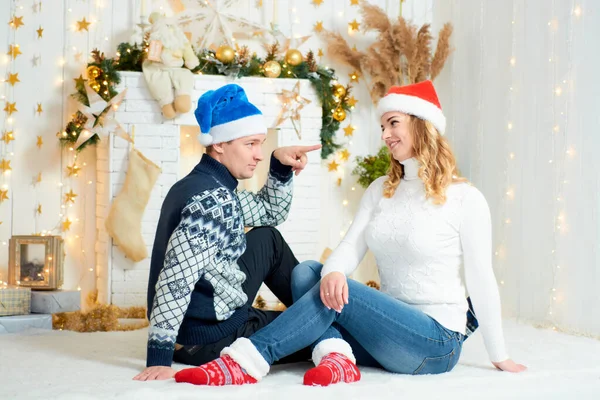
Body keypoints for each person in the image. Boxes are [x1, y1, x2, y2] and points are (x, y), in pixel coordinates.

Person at [172, 80, 527, 387]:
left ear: (422, 125)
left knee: (335, 287)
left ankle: (246, 361)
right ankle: (337, 357)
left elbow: (482, 279)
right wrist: (336, 271)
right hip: (381, 336)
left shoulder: (465, 198)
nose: (385, 135)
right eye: (383, 126)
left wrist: (500, 355)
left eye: (393, 123)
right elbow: (348, 248)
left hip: (433, 343)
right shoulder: (381, 189)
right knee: (308, 271)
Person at [133, 83, 321, 381]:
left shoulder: (205, 185)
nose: (258, 154)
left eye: (261, 144)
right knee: (315, 330)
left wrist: (280, 167)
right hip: (207, 338)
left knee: (267, 238)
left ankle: (318, 310)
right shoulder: (213, 201)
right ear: (219, 144)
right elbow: (176, 278)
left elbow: (271, 214)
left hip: (204, 319)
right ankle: (324, 315)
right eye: (250, 144)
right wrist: (160, 355)